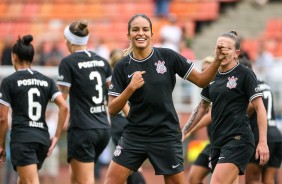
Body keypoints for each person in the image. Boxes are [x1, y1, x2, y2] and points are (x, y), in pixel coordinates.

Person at [104, 13, 227, 184]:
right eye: (136, 30)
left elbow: (201, 80)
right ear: (129, 35)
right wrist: (130, 88)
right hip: (135, 134)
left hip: (166, 135)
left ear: (152, 34)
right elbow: (112, 108)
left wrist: (217, 62)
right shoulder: (122, 66)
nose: (141, 33)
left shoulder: (168, 56)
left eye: (145, 29)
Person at [182, 30, 269, 184]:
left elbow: (260, 108)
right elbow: (202, 107)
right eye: (219, 47)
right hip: (217, 142)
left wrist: (262, 142)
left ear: (236, 53)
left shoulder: (245, 74)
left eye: (227, 48)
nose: (222, 51)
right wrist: (185, 131)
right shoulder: (211, 76)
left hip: (238, 139)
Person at [0, 34, 68, 184]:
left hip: (23, 140)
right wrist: (56, 136)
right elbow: (63, 106)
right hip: (42, 140)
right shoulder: (47, 80)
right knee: (23, 180)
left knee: (30, 181)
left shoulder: (9, 81)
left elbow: (3, 118)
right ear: (32, 57)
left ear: (14, 57)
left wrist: (1, 145)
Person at [57, 20, 112, 184]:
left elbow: (62, 98)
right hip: (103, 128)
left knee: (85, 180)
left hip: (82, 129)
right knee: (75, 177)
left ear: (68, 40)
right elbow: (113, 93)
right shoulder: (102, 61)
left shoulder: (68, 62)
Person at [240, 56, 282, 184]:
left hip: (260, 135)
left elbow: (252, 106)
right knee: (269, 180)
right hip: (276, 134)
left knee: (252, 179)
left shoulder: (249, 86)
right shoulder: (264, 84)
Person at [108, 48, 146, 184]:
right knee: (128, 167)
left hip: (120, 125)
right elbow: (125, 108)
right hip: (124, 124)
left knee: (125, 167)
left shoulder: (115, 80)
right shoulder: (124, 80)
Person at [184, 56, 214, 184]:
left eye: (208, 69)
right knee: (193, 178)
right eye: (203, 70)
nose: (205, 73)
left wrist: (190, 130)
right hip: (213, 144)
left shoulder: (221, 88)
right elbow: (200, 109)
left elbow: (211, 116)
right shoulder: (207, 91)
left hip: (227, 144)